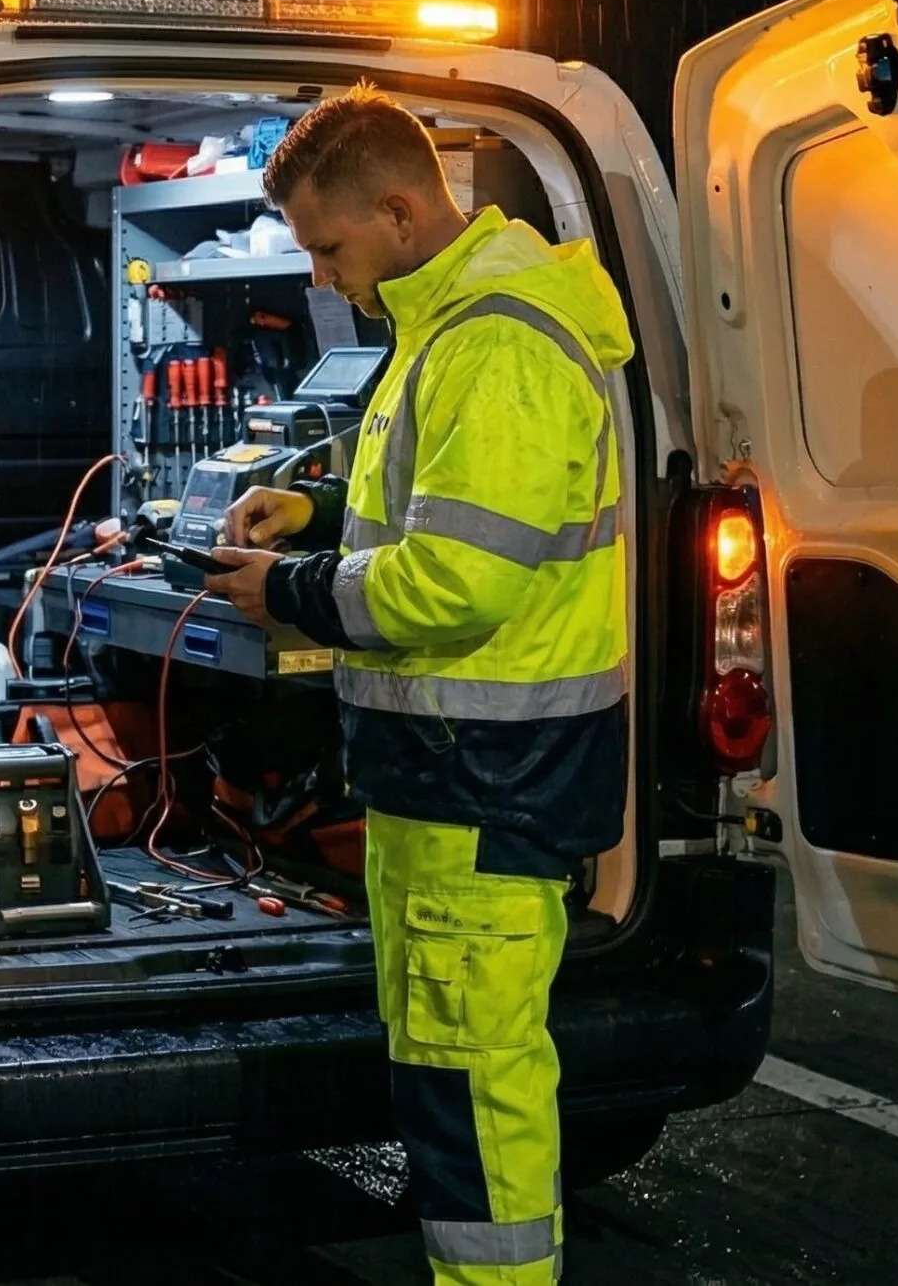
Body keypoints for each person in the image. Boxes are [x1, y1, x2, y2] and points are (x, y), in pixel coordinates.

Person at [203, 82, 633, 1286]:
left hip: (483, 790)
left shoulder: (492, 341)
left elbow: (455, 583)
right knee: (452, 1075)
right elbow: (443, 514)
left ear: (397, 210)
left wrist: (286, 592)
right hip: (451, 790)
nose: (323, 277)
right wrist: (321, 511)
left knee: (473, 1095)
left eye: (329, 248)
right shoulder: (448, 326)